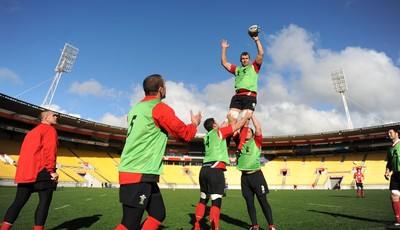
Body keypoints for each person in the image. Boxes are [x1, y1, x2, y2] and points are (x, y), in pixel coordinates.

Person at [115, 74, 202, 230]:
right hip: (139, 172)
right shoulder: (159, 108)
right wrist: (194, 124)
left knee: (157, 214)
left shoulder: (136, 107)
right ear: (160, 89)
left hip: (140, 172)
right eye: (165, 86)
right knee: (129, 224)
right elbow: (185, 134)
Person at [1, 110, 59, 230]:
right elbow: (50, 150)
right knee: (44, 202)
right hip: (42, 170)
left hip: (26, 172)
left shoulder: (32, 132)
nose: (56, 117)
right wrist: (51, 170)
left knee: (18, 203)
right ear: (46, 117)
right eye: (53, 115)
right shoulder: (49, 130)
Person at [193, 112, 251, 230]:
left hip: (204, 169)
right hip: (215, 169)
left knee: (203, 198)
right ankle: (214, 228)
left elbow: (223, 125)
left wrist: (227, 117)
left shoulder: (207, 136)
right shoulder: (219, 132)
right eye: (216, 122)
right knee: (216, 201)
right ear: (214, 125)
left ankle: (197, 225)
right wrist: (245, 117)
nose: (219, 123)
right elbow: (237, 126)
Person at [236, 114, 275, 230]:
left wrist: (251, 116)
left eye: (249, 132)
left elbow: (258, 129)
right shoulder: (240, 143)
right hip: (244, 178)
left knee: (263, 201)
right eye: (245, 131)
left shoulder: (256, 142)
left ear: (253, 135)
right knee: (249, 203)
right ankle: (255, 226)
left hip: (257, 176)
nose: (247, 132)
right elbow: (237, 128)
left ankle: (271, 226)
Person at [221, 32, 264, 126]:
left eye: (246, 58)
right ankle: (226, 138)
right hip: (237, 96)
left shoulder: (254, 67)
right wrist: (224, 48)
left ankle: (242, 141)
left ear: (249, 59)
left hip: (249, 96)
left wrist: (256, 40)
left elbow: (261, 53)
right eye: (242, 58)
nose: (244, 60)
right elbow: (224, 63)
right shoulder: (237, 69)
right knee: (230, 119)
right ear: (240, 60)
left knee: (245, 120)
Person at [385, 128, 400, 228]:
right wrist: (387, 171)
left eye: (391, 132)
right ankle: (398, 220)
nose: (389, 134)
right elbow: (389, 162)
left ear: (396, 134)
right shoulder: (390, 148)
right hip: (395, 175)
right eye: (388, 133)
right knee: (394, 195)